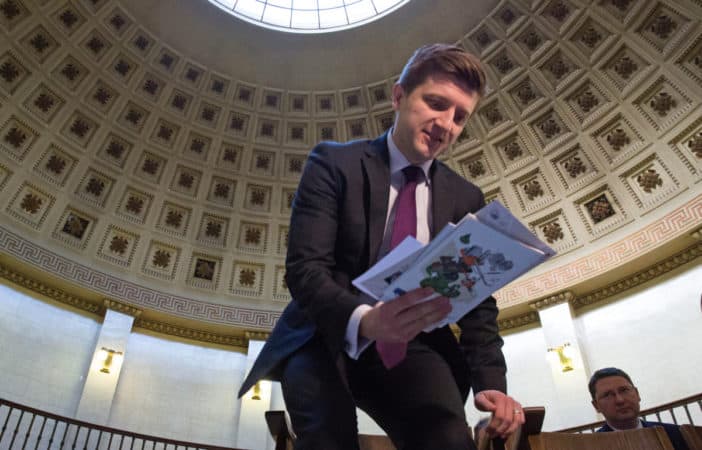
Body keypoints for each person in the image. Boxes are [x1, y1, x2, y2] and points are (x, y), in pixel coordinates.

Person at [238, 43, 523, 450]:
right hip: (324, 335)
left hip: (412, 346)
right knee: (327, 439)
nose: (446, 124)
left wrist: (491, 383)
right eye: (436, 103)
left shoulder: (466, 197)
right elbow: (305, 270)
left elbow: (478, 302)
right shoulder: (333, 163)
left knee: (447, 440)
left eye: (460, 116)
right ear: (399, 96)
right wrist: (367, 321)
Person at [589, 367, 689, 450]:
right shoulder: (590, 446)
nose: (620, 400)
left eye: (624, 390)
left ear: (637, 394)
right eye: (607, 395)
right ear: (596, 406)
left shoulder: (677, 434)